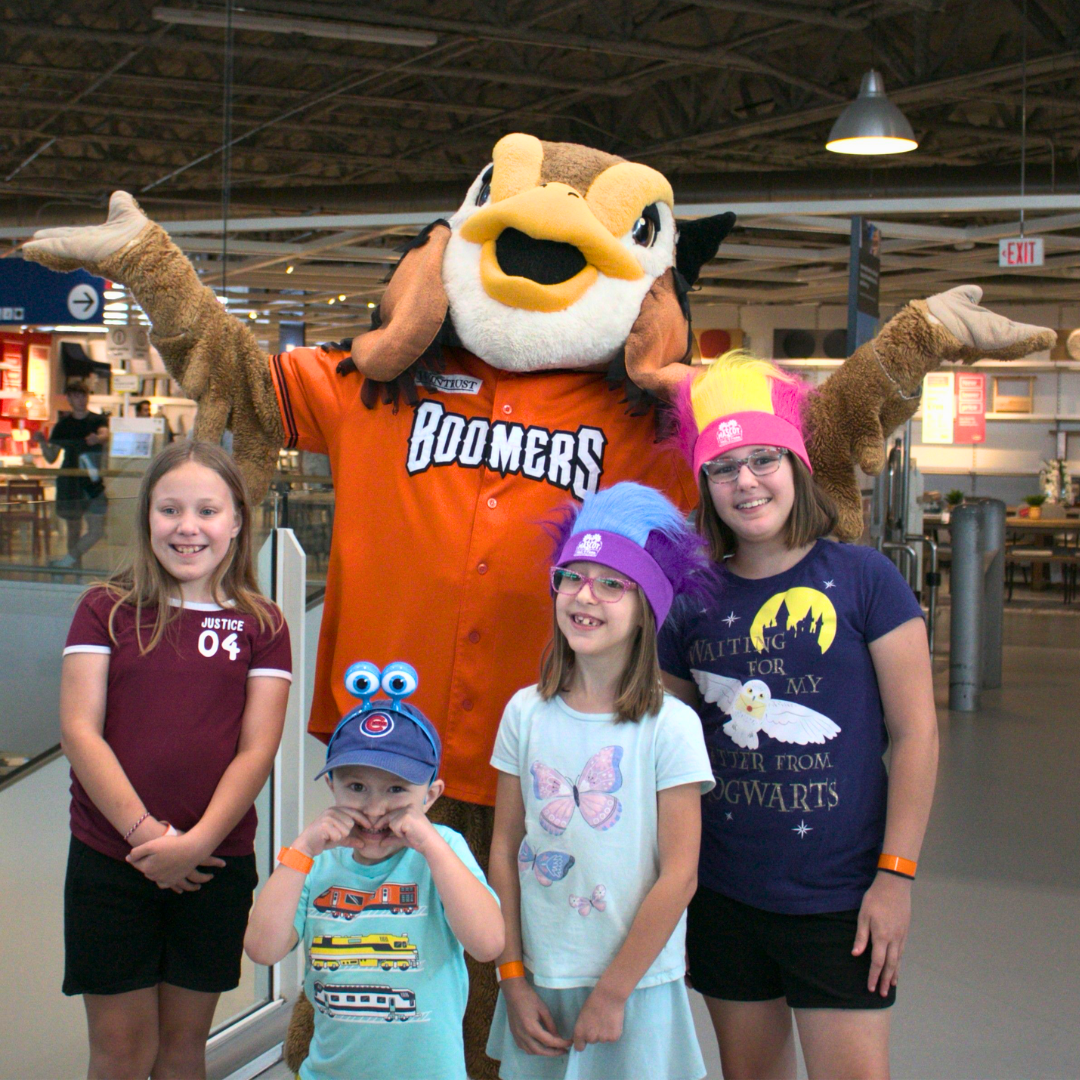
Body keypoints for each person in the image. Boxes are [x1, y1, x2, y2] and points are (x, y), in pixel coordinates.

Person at [659, 354, 939, 1080]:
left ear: (798, 466)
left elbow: (915, 736)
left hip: (841, 899)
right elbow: (664, 747)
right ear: (704, 485)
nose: (746, 481)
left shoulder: (865, 579)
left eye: (763, 461)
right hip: (724, 893)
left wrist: (896, 878)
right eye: (724, 468)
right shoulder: (690, 598)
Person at [59, 440, 292, 1080]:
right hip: (112, 860)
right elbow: (81, 732)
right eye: (170, 510)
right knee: (122, 1050)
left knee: (184, 1047)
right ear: (147, 520)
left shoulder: (263, 623)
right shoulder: (106, 609)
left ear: (238, 521)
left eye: (207, 510)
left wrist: (195, 845)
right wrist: (150, 839)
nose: (188, 527)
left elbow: (257, 750)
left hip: (214, 863)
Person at [486, 482, 716, 1080]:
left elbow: (680, 873)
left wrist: (614, 992)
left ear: (647, 608)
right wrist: (511, 976)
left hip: (635, 982)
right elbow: (505, 850)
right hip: (539, 974)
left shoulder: (671, 727)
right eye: (573, 577)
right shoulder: (524, 714)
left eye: (612, 583)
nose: (586, 596)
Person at [244, 664, 504, 1080]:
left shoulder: (444, 851)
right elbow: (262, 948)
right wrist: (302, 850)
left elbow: (488, 943)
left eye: (397, 789)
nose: (375, 808)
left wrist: (433, 846)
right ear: (332, 786)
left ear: (431, 795)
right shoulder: (313, 860)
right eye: (356, 787)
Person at [34, 380, 109, 568]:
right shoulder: (63, 425)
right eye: (76, 396)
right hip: (69, 480)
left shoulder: (97, 419)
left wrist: (97, 439)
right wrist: (42, 443)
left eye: (83, 395)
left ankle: (66, 563)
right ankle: (75, 569)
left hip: (92, 480)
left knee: (96, 529)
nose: (80, 400)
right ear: (69, 398)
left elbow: (104, 434)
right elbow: (52, 457)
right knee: (73, 529)